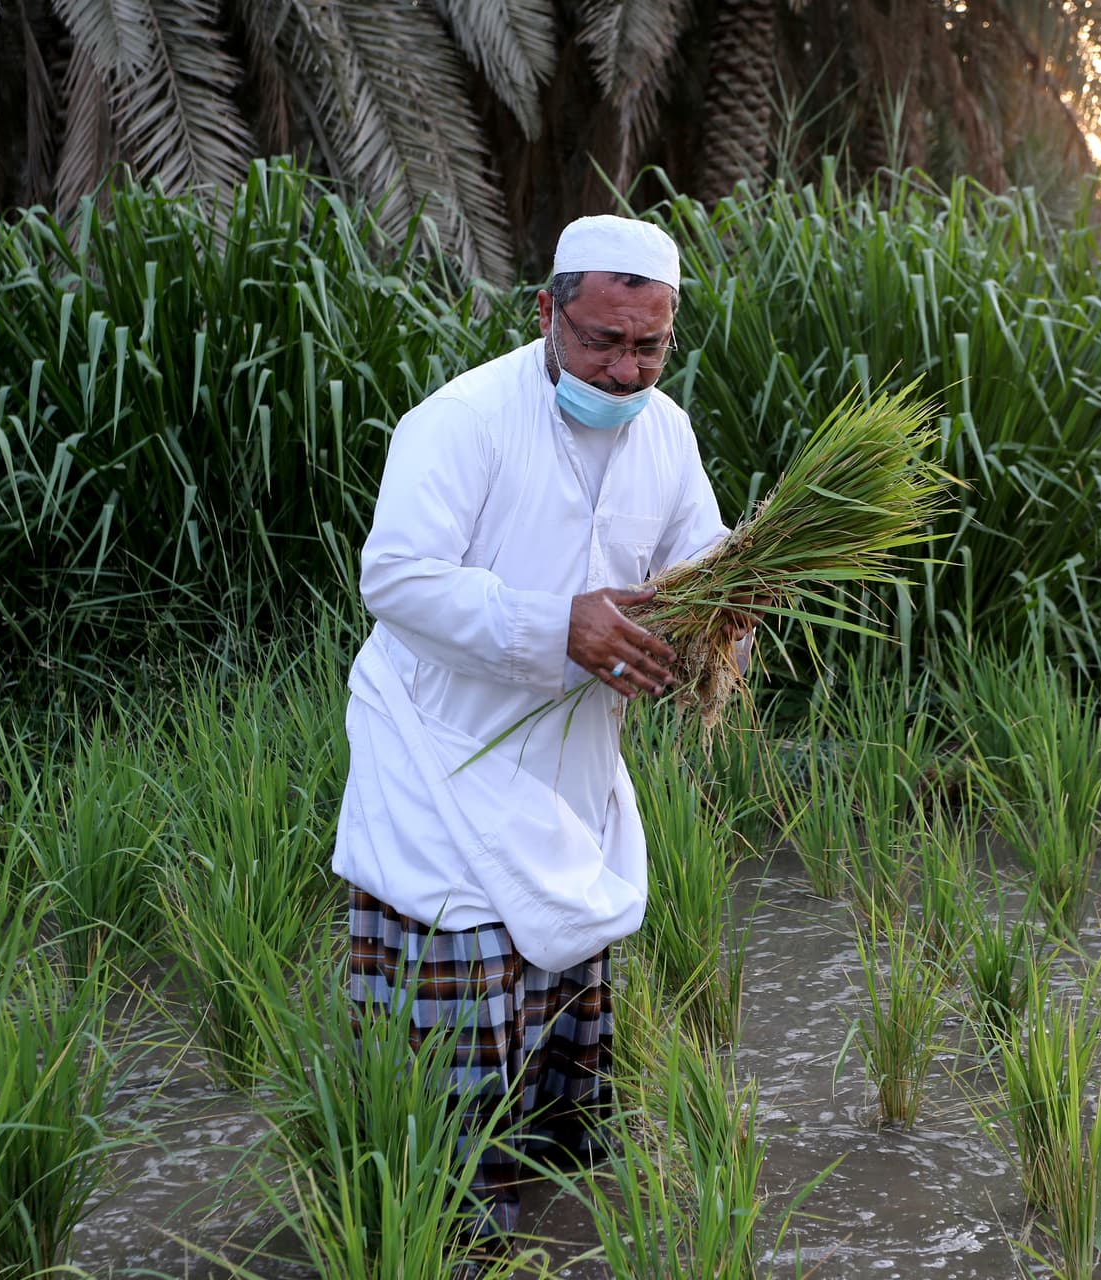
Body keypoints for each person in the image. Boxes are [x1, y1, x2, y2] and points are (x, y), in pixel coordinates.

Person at [331, 214, 734, 1239]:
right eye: (600, 339)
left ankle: (550, 1214)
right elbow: (394, 575)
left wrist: (732, 603)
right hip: (442, 756)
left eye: (648, 345)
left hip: (568, 765)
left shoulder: (667, 432)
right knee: (458, 990)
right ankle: (441, 1229)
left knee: (559, 988)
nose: (622, 368)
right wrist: (560, 623)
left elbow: (702, 556)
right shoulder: (462, 419)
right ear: (547, 311)